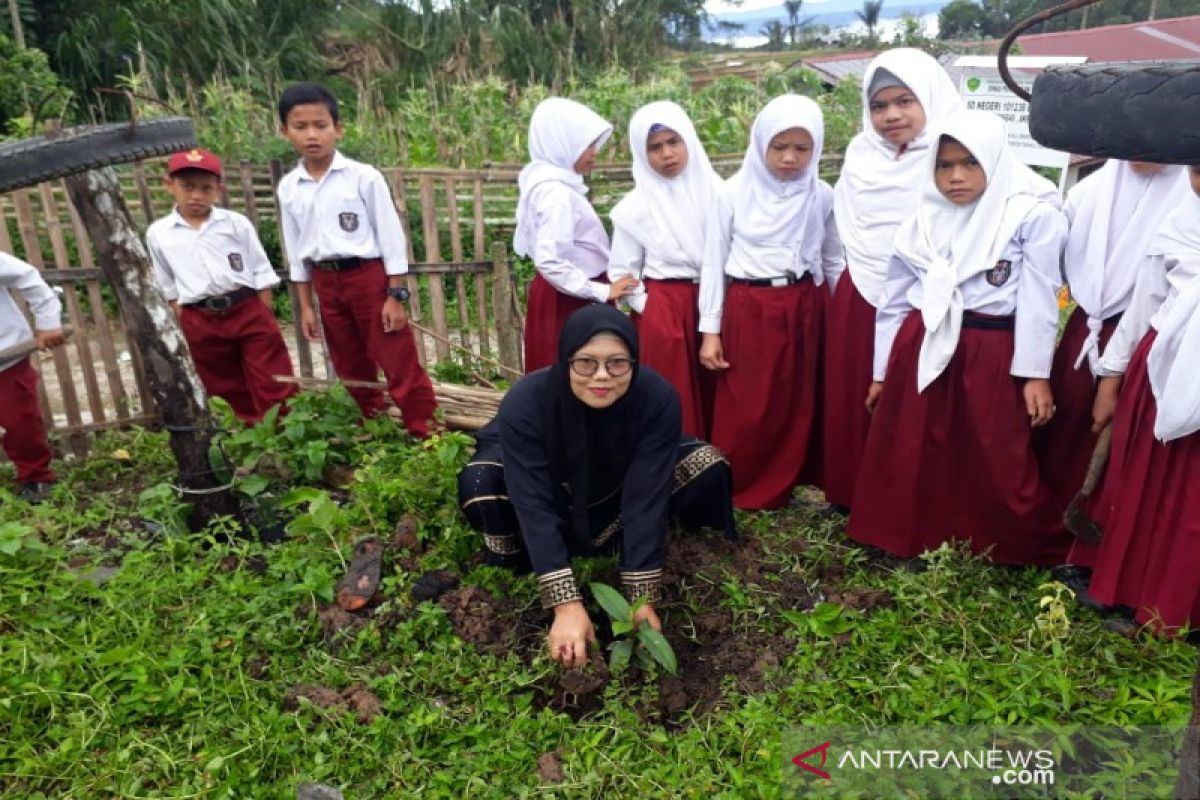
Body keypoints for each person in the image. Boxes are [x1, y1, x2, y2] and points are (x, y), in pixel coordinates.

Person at [847, 110, 1071, 566]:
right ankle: (905, 536)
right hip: (922, 341)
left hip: (990, 347)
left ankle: (1013, 544)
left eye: (970, 163)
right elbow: (893, 302)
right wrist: (880, 372)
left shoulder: (1031, 214)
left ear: (993, 160)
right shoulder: (923, 219)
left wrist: (1034, 374)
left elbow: (1040, 298)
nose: (955, 177)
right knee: (914, 445)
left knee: (996, 448)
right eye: (944, 165)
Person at [457, 304, 735, 668]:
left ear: (634, 362)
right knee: (481, 485)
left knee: (708, 465)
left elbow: (645, 494)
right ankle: (521, 560)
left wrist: (640, 599)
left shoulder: (656, 398)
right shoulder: (527, 402)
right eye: (585, 362)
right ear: (566, 359)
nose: (601, 376)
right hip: (554, 486)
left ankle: (646, 544)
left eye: (617, 363)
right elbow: (532, 498)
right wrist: (566, 604)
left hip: (616, 485)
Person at [824, 48, 963, 515]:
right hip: (860, 287)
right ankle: (849, 493)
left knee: (908, 400)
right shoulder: (861, 155)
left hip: (924, 300)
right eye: (879, 106)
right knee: (852, 390)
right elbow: (847, 224)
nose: (891, 116)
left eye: (905, 101)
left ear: (929, 97)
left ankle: (899, 502)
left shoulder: (954, 156)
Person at [699, 94, 843, 510]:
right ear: (760, 144)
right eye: (779, 147)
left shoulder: (822, 195)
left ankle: (788, 483)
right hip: (750, 303)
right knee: (749, 400)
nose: (790, 158)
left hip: (804, 301)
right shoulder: (732, 194)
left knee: (797, 396)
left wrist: (839, 312)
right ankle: (738, 484)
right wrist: (710, 330)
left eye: (802, 148)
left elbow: (832, 256)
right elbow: (713, 262)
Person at [275, 82, 438, 436]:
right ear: (284, 131)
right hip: (324, 281)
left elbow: (391, 240)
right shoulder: (289, 187)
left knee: (396, 356)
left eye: (321, 125)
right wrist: (305, 306)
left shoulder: (363, 178)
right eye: (300, 127)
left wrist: (395, 296)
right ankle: (374, 424)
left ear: (338, 129)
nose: (312, 135)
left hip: (367, 276)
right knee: (348, 361)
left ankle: (424, 429)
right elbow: (296, 249)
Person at [1083, 165, 1200, 635]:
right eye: (1196, 167)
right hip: (1164, 367)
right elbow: (1144, 304)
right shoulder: (1180, 224)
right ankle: (1140, 597)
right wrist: (1111, 377)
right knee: (1150, 488)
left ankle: (1181, 609)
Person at [147, 147, 298, 424]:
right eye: (187, 186)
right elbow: (168, 286)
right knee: (222, 385)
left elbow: (260, 272)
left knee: (272, 379)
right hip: (200, 316)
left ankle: (286, 437)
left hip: (246, 307)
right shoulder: (159, 233)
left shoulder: (235, 224)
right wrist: (187, 320)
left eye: (206, 188)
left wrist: (261, 314)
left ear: (219, 189)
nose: (196, 195)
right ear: (169, 185)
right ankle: (245, 440)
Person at [607, 100, 722, 439]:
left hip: (716, 297)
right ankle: (674, 469)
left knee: (718, 388)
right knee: (673, 393)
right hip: (665, 305)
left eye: (674, 142)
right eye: (654, 147)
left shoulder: (721, 194)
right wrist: (651, 308)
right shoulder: (633, 209)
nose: (666, 154)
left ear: (689, 140)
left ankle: (719, 469)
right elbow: (622, 271)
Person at [514, 97, 638, 373]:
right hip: (570, 297)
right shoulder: (557, 195)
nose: (595, 152)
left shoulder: (552, 186)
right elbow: (550, 260)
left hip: (565, 290)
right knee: (577, 372)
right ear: (563, 143)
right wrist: (602, 291)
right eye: (587, 144)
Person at [0, 252, 65, 503]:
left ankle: (36, 478)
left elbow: (27, 275)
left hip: (6, 357)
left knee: (20, 422)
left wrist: (48, 321)